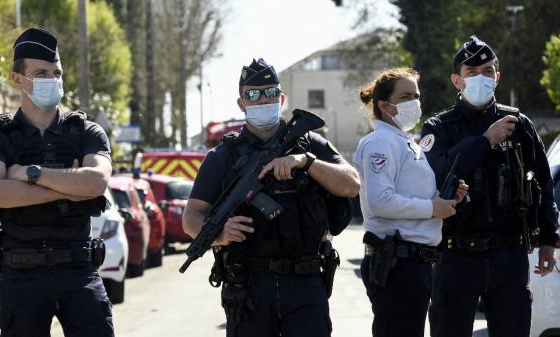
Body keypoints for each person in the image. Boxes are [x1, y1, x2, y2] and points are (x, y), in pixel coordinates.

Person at [182, 58, 360, 337]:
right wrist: (219, 234)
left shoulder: (308, 143)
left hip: (306, 282)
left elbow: (352, 184)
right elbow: (191, 218)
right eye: (252, 94)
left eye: (270, 92)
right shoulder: (222, 157)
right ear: (241, 103)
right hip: (249, 285)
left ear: (282, 98)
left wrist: (306, 162)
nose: (263, 99)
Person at [0, 28, 114, 337]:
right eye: (41, 73)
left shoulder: (87, 133)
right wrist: (67, 187)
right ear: (18, 80)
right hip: (21, 273)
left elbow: (94, 184)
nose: (52, 80)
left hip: (78, 270)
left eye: (56, 72)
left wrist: (29, 174)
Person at [421, 35, 559, 337]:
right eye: (472, 73)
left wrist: (549, 237)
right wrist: (484, 141)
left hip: (508, 256)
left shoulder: (518, 123)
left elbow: (544, 183)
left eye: (487, 71)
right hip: (456, 254)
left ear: (498, 77)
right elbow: (438, 173)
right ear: (456, 80)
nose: (480, 78)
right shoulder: (439, 127)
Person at [353, 67, 468, 337]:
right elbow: (380, 201)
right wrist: (431, 208)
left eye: (416, 95)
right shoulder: (380, 142)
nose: (415, 102)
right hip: (397, 263)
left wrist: (443, 200)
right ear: (384, 105)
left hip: (413, 263)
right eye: (406, 96)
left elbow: (409, 192)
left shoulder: (403, 141)